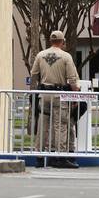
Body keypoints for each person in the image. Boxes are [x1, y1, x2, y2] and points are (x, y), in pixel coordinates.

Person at [30, 30, 80, 168]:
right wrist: (75, 96)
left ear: (50, 41)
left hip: (44, 95)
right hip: (59, 95)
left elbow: (33, 73)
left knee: (43, 125)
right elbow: (72, 79)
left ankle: (39, 157)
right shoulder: (65, 56)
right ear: (62, 41)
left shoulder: (41, 55)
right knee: (61, 126)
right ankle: (60, 157)